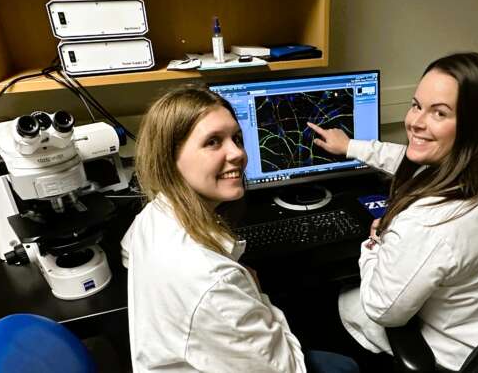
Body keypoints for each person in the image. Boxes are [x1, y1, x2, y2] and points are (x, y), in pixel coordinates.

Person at [308, 52, 478, 371]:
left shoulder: (432, 224)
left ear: (475, 126)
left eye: (439, 113)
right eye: (416, 105)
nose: (415, 122)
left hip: (459, 355)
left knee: (329, 303)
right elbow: (413, 158)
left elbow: (381, 308)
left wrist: (376, 241)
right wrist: (350, 146)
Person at [122, 84, 358, 373]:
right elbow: (288, 369)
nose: (237, 153)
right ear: (169, 158)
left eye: (236, 138)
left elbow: (127, 250)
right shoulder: (212, 284)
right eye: (212, 142)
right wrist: (258, 297)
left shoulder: (154, 213)